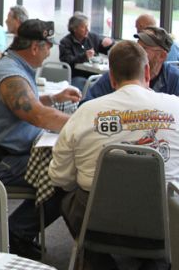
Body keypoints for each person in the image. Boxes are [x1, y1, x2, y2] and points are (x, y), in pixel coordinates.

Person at [49, 40, 179, 269]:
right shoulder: (175, 106)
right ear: (147, 71)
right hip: (162, 222)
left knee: (66, 195)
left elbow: (60, 178)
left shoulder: (86, 112)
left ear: (111, 77)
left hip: (99, 222)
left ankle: (97, 260)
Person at [0, 19, 82, 259]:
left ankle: (21, 232)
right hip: (4, 161)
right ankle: (16, 233)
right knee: (64, 177)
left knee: (66, 171)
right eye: (48, 47)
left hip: (14, 154)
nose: (49, 52)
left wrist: (54, 98)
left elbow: (29, 104)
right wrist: (82, 123)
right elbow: (37, 115)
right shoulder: (11, 74)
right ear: (36, 47)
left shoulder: (16, 67)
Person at [83, 26, 179, 103]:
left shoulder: (174, 79)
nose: (137, 53)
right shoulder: (119, 72)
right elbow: (86, 105)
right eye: (137, 47)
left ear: (162, 56)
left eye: (144, 49)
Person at [59, 11, 114, 91]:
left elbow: (105, 48)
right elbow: (67, 60)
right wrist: (85, 56)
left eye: (87, 26)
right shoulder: (65, 42)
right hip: (77, 76)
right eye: (84, 27)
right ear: (74, 29)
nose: (87, 30)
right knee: (86, 87)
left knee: (109, 84)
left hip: (95, 75)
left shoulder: (92, 37)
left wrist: (110, 42)